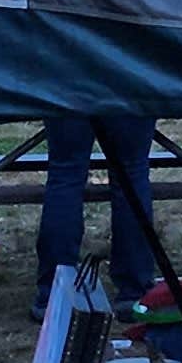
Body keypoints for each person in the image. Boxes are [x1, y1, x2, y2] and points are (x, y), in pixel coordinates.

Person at [33, 112, 161, 320]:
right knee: (132, 171)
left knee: (65, 173)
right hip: (129, 85)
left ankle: (53, 296)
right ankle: (135, 292)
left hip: (68, 86)